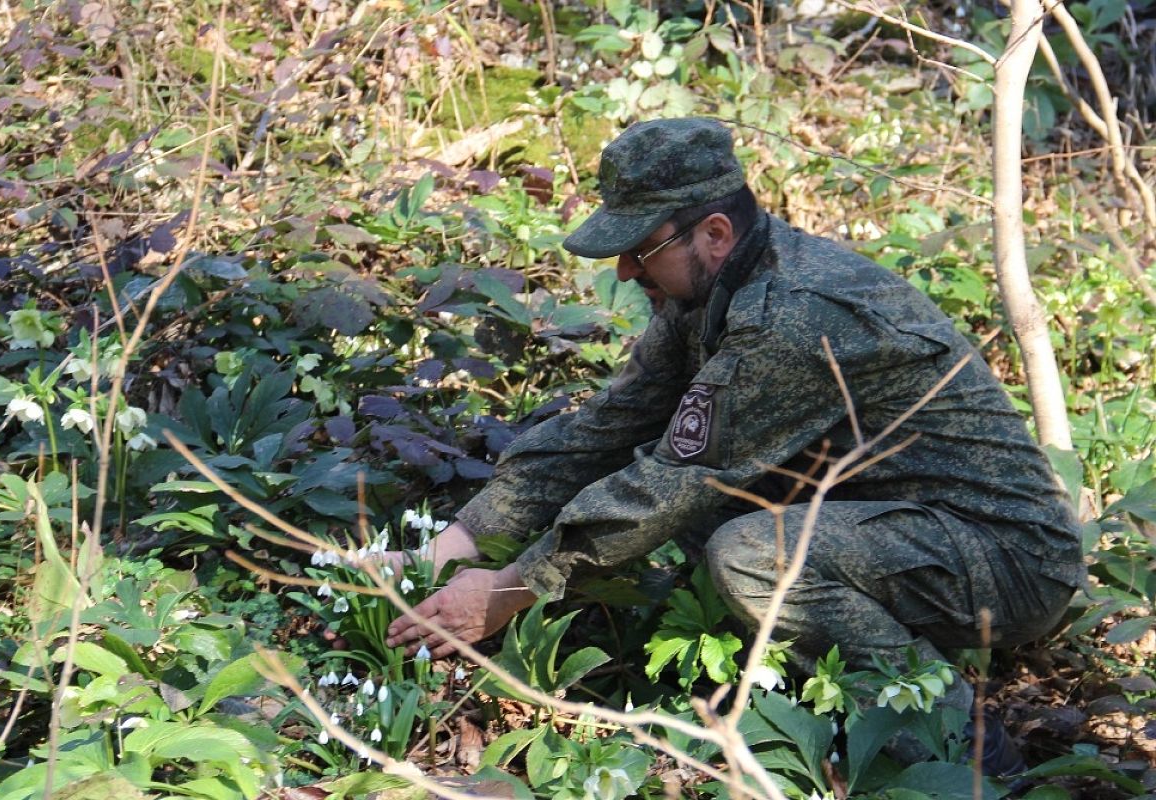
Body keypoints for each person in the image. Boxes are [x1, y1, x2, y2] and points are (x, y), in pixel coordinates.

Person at [385, 118, 1084, 774]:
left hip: (1006, 556)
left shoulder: (788, 318)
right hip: (894, 519)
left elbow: (670, 483)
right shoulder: (710, 293)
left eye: (640, 248)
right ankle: (809, 687)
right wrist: (457, 545)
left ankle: (961, 749)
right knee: (714, 518)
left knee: (749, 552)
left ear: (715, 233)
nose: (624, 271)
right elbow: (602, 428)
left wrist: (508, 591)